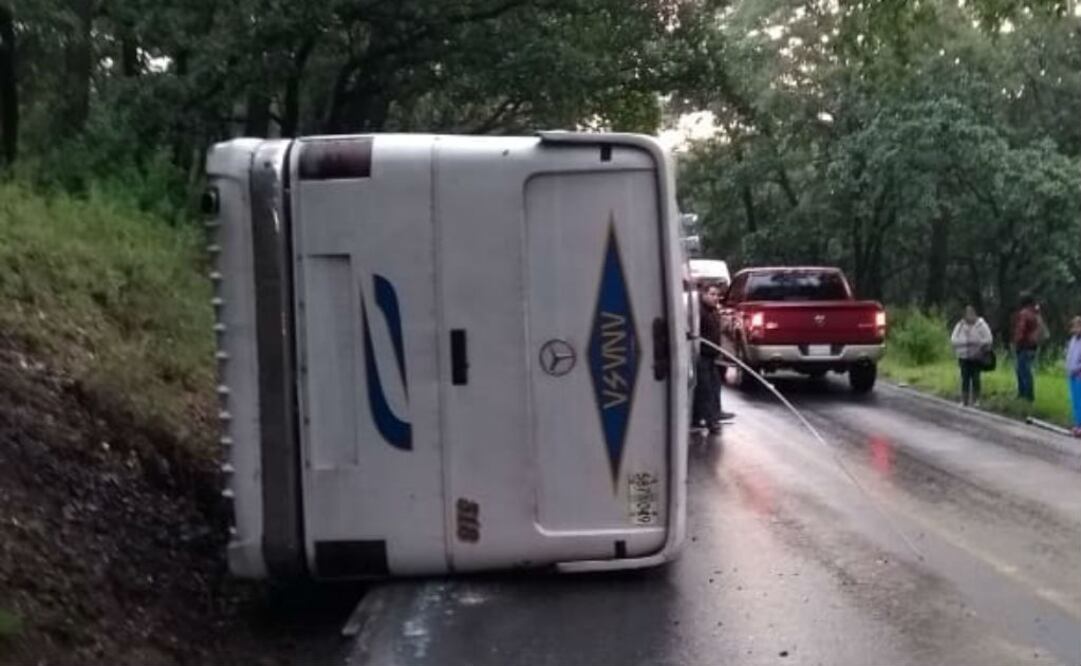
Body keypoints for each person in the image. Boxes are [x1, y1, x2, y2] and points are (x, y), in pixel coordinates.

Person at [692, 283, 734, 434]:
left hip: (712, 356)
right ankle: (711, 421)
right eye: (712, 294)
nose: (716, 298)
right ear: (703, 295)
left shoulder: (714, 311)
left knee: (715, 386)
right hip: (702, 356)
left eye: (717, 295)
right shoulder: (700, 312)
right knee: (706, 389)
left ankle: (715, 414)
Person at [950, 305, 993, 406]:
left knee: (975, 378)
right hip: (963, 356)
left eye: (971, 314)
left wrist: (976, 343)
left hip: (977, 356)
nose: (969, 316)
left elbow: (989, 339)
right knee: (964, 378)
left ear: (975, 314)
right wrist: (965, 342)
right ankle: (964, 400)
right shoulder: (960, 325)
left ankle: (976, 399)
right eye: (967, 314)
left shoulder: (981, 325)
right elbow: (953, 340)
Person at [1011, 295, 1041, 402]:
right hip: (1033, 346)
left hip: (1024, 345)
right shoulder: (1036, 314)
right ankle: (1027, 395)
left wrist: (1017, 341)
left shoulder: (1024, 314)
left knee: (1022, 371)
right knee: (1026, 370)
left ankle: (1025, 395)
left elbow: (1021, 330)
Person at [1067, 316, 1081, 438]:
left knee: (1080, 400)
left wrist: (1076, 368)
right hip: (1071, 374)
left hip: (1079, 375)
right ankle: (1077, 424)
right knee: (1075, 401)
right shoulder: (1073, 340)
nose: (1075, 329)